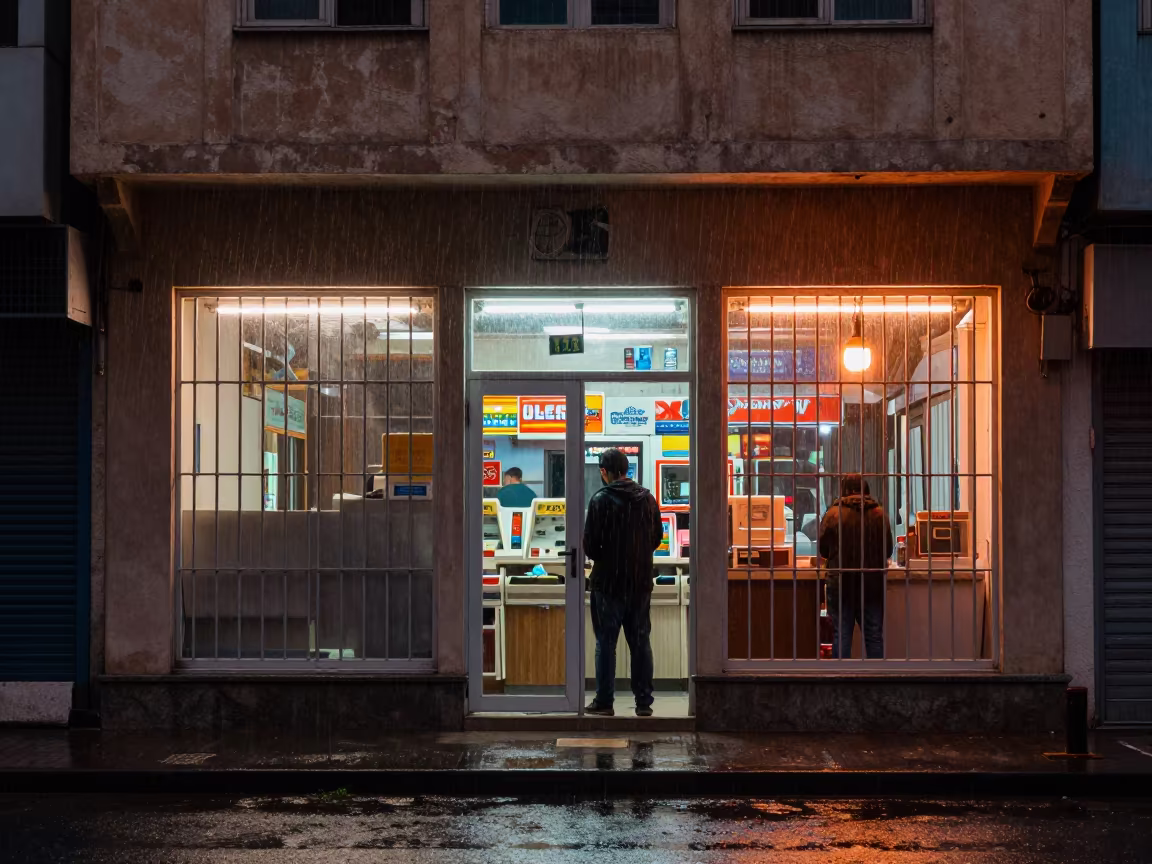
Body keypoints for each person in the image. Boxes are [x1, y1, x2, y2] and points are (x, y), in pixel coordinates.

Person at [583, 448, 664, 717]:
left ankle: (605, 702)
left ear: (604, 472)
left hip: (608, 583)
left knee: (606, 642)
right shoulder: (648, 499)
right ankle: (644, 703)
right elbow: (656, 539)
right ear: (627, 470)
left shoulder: (600, 500)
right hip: (640, 583)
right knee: (640, 640)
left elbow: (591, 546)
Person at [818, 474, 894, 660]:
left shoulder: (833, 515)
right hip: (872, 584)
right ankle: (876, 682)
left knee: (842, 635)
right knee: (874, 636)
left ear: (843, 491)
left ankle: (841, 682)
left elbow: (824, 550)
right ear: (866, 490)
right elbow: (888, 550)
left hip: (841, 584)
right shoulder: (879, 515)